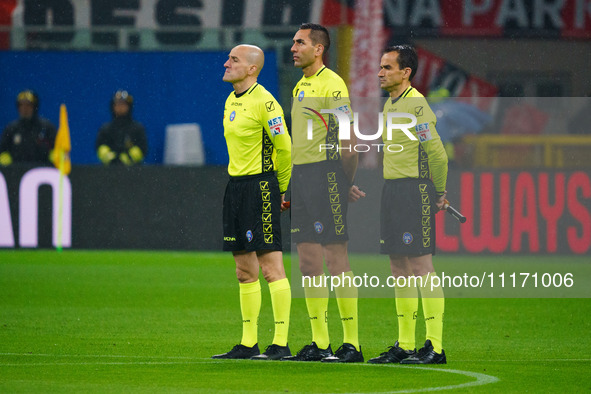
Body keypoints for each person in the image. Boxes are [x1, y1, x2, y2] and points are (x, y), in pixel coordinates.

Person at [283, 23, 365, 363]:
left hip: (325, 173)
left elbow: (350, 144)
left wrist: (341, 183)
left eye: (300, 42)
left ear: (319, 49)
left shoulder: (333, 85)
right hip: (302, 178)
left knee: (335, 260)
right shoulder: (301, 85)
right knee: (307, 263)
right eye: (293, 42)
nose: (293, 47)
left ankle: (352, 345)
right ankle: (320, 344)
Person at [211, 44, 292, 360]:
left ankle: (281, 343)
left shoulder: (266, 103)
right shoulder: (232, 99)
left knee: (271, 267)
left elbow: (284, 148)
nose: (226, 63)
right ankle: (248, 344)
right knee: (244, 271)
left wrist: (282, 189)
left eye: (234, 60)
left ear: (252, 69)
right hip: (236, 188)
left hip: (261, 187)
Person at [368, 45, 448, 365]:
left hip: (415, 191)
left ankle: (436, 347)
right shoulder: (391, 104)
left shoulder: (416, 105)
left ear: (406, 73)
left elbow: (437, 154)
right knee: (399, 268)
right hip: (393, 191)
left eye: (387, 67)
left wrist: (438, 193)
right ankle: (405, 344)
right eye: (380, 66)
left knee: (420, 267)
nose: (380, 72)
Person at [0, 90, 56, 166]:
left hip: (42, 172)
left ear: (35, 107)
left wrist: (51, 163)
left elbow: (57, 151)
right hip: (15, 174)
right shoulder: (11, 129)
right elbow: (2, 151)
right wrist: (8, 167)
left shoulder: (47, 128)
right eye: (21, 105)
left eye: (28, 105)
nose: (24, 108)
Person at [96, 90, 148, 166]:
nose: (120, 107)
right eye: (117, 104)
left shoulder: (137, 128)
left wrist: (126, 158)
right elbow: (100, 148)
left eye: (123, 104)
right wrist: (112, 158)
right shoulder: (105, 128)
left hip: (133, 171)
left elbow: (142, 149)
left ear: (129, 107)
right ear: (112, 107)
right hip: (108, 171)